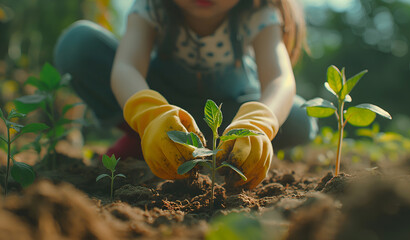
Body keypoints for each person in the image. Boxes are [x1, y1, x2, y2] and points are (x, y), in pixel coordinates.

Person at [54, 0, 318, 189]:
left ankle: (222, 151)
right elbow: (126, 68)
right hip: (164, 106)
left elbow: (280, 80)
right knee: (78, 44)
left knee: (300, 118)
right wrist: (150, 117)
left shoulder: (259, 12)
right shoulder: (152, 7)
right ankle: (148, 136)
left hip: (227, 119)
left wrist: (258, 123)